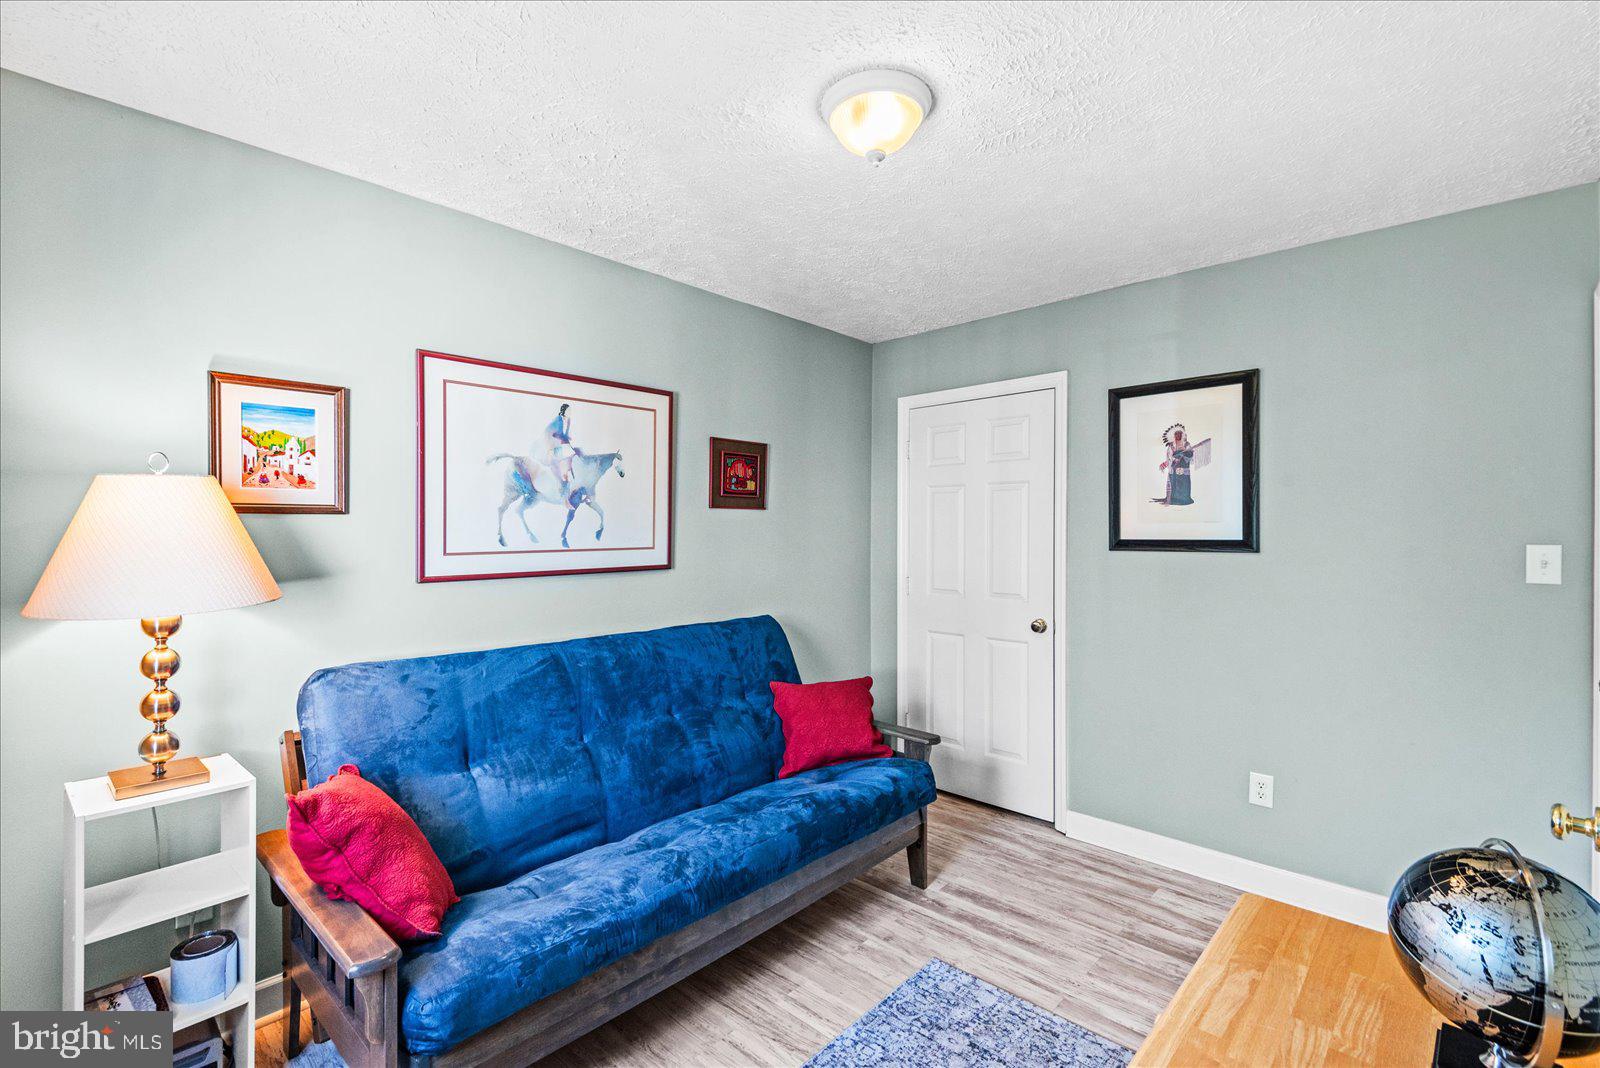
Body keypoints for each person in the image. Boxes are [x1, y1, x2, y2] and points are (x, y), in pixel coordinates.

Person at [1152, 423, 1198, 506]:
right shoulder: (1171, 446)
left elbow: (1191, 455)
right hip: (1173, 470)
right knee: (1174, 484)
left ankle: (1184, 499)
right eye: (1176, 434)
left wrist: (1185, 454)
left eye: (1179, 434)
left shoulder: (1187, 444)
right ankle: (1173, 499)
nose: (1178, 435)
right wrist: (1174, 459)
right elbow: (1169, 457)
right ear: (1173, 435)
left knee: (1183, 484)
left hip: (1183, 470)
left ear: (1182, 434)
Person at [541, 402, 577, 499]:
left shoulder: (568, 420)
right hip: (556, 445)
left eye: (570, 411)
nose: (570, 412)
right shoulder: (558, 420)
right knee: (561, 463)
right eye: (568, 410)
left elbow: (564, 434)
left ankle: (573, 480)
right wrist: (551, 448)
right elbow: (548, 432)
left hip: (564, 444)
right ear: (563, 411)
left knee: (576, 454)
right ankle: (563, 485)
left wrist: (568, 438)